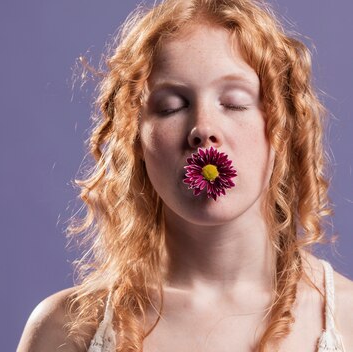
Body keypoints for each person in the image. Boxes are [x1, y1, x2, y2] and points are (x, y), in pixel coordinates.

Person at [18, 0, 353, 351]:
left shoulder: (345, 319)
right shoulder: (68, 330)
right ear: (134, 138)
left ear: (284, 129)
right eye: (171, 107)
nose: (203, 129)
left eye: (235, 103)